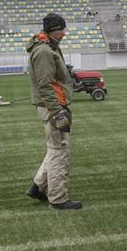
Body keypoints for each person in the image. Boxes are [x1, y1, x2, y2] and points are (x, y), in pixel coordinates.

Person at [24, 12, 83, 210]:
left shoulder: (47, 48)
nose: (63, 34)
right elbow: (45, 85)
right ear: (51, 30)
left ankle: (38, 187)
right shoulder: (44, 52)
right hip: (53, 107)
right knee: (60, 152)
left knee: (54, 149)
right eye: (60, 30)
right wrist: (57, 111)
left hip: (51, 106)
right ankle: (58, 199)